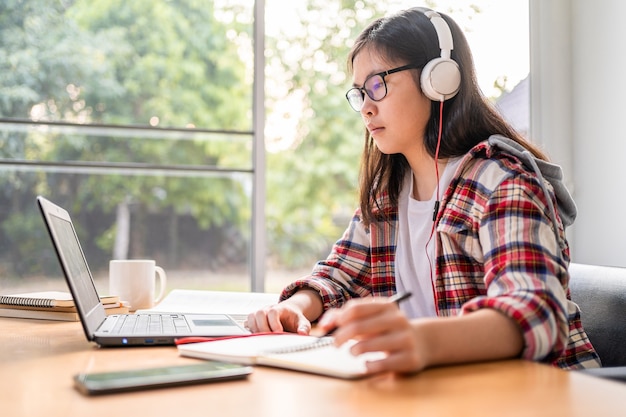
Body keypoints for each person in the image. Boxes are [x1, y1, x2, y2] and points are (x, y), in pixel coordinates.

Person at [247, 7, 601, 373]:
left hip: (546, 399)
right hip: (446, 394)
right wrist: (296, 308)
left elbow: (537, 314)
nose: (366, 107)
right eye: (359, 93)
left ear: (439, 79)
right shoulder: (389, 193)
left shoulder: (503, 182)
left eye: (377, 85)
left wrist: (420, 339)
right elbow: (340, 274)